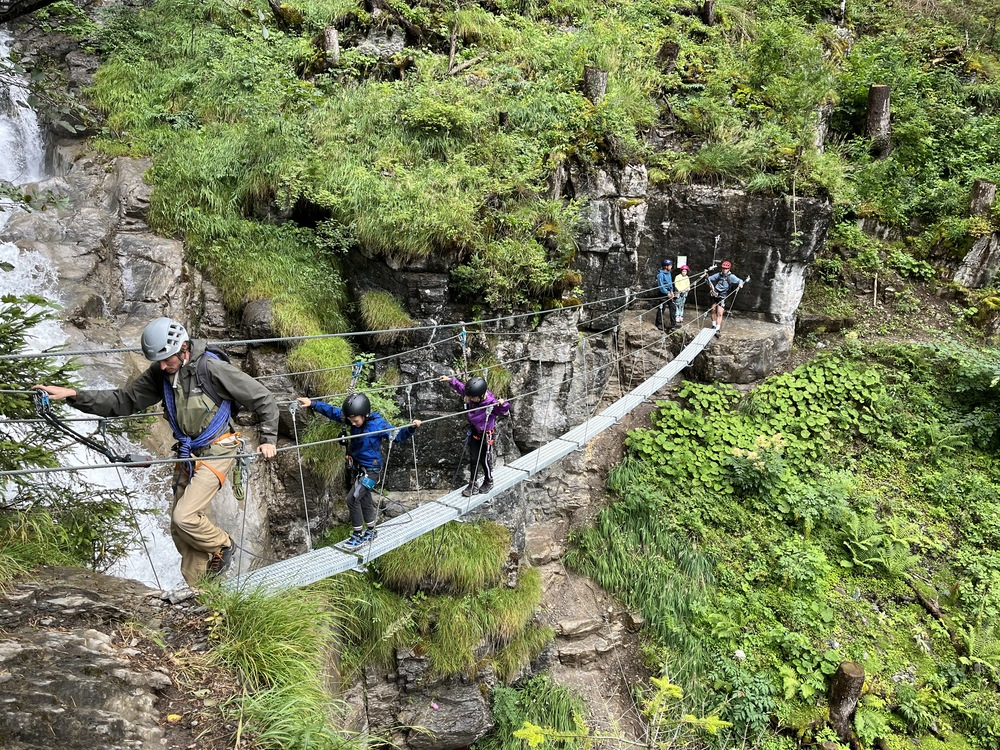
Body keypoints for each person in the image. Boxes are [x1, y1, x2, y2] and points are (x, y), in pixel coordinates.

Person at [34, 317, 278, 586]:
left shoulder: (212, 368)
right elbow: (124, 401)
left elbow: (262, 398)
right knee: (180, 530)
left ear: (183, 348)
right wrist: (74, 395)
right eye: (158, 361)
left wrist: (268, 439)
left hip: (219, 449)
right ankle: (200, 591)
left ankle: (223, 544)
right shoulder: (160, 374)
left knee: (184, 518)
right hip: (188, 453)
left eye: (166, 359)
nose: (162, 366)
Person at [295, 392, 421, 549]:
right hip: (359, 468)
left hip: (372, 471)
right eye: (350, 421)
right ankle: (371, 531)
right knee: (364, 498)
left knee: (353, 498)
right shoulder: (353, 419)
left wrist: (411, 428)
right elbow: (333, 412)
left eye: (355, 421)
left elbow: (396, 435)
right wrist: (313, 403)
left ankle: (357, 535)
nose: (353, 424)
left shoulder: (377, 425)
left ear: (365, 415)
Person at [439, 375, 511, 496]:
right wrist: (450, 380)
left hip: (486, 435)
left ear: (481, 395)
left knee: (484, 459)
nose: (470, 399)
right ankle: (472, 484)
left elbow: (502, 410)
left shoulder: (491, 404)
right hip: (475, 432)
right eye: (470, 397)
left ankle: (488, 480)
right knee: (473, 459)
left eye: (473, 397)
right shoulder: (473, 395)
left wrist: (502, 404)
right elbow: (461, 388)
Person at [707, 260, 745, 332]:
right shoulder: (718, 275)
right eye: (723, 268)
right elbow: (709, 279)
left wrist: (740, 284)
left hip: (723, 295)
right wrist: (711, 287)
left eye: (726, 269)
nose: (724, 270)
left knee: (720, 312)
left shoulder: (731, 277)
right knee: (713, 310)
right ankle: (713, 325)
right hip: (715, 293)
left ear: (729, 269)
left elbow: (740, 280)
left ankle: (717, 328)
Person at [654, 258, 676, 331]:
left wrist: (671, 291)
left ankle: (673, 323)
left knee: (673, 307)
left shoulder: (669, 273)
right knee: (661, 308)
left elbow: (670, 283)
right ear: (666, 266)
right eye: (670, 265)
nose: (671, 267)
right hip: (663, 294)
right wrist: (667, 293)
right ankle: (659, 323)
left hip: (669, 292)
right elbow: (661, 286)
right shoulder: (660, 275)